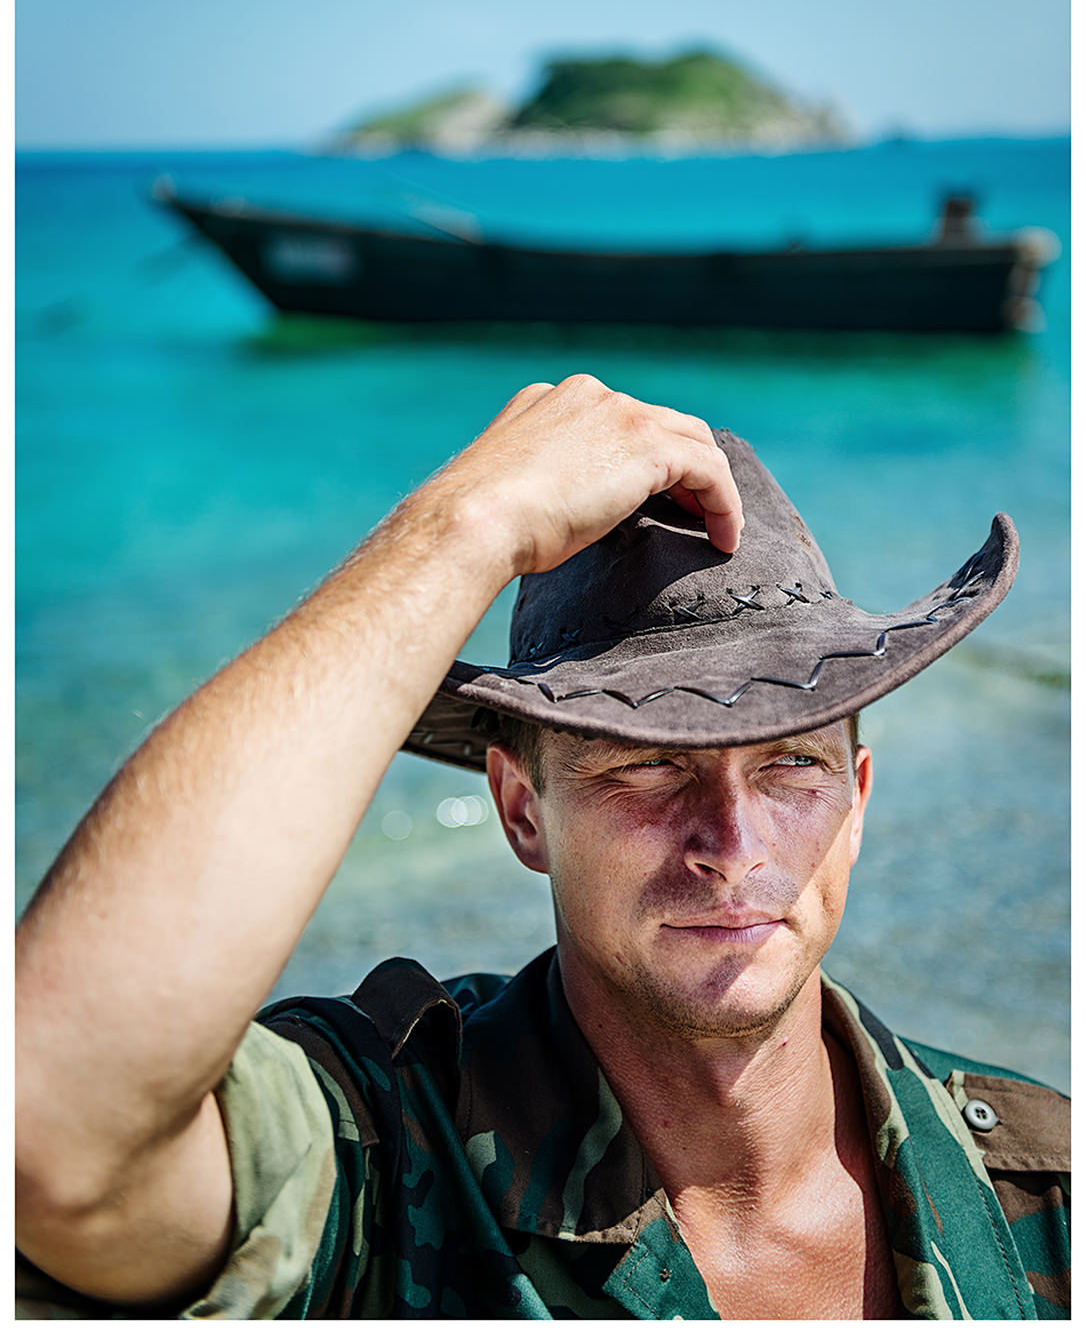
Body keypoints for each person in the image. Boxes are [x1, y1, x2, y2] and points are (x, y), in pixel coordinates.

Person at [15, 375, 1069, 1321]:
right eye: (649, 765)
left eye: (792, 762)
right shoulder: (387, 1164)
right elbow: (56, 1126)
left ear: (859, 798)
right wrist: (461, 526)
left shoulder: (1046, 1193)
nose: (733, 843)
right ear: (521, 810)